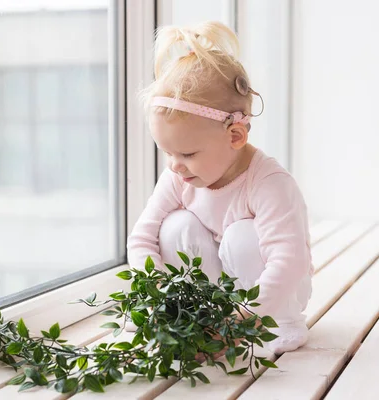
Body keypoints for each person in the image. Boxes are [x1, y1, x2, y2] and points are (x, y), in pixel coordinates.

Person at [126, 21, 312, 354]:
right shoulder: (179, 176)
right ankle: (206, 320)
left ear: (236, 136)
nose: (174, 165)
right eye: (167, 152)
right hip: (226, 290)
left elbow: (289, 263)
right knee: (174, 227)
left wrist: (244, 319)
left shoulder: (268, 183)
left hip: (280, 292)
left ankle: (284, 325)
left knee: (242, 236)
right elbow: (141, 239)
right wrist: (155, 291)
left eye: (187, 153)